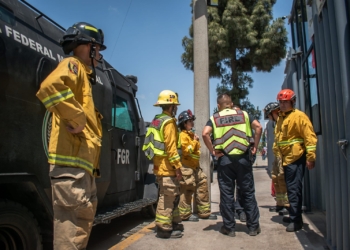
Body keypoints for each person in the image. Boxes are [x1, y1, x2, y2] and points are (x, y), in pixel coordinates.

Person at [36, 22, 106, 249]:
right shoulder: (72, 65)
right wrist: (78, 118)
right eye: (98, 49)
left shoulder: (83, 76)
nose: (99, 55)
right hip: (71, 170)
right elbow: (50, 86)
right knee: (71, 232)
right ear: (88, 46)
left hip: (81, 170)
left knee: (79, 229)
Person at [202, 94, 262, 237]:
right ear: (231, 103)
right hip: (243, 159)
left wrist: (212, 151)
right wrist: (255, 147)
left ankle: (229, 228)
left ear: (219, 106)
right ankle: (253, 227)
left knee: (227, 194)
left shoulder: (215, 118)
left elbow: (205, 134)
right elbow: (258, 127)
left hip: (225, 159)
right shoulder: (244, 114)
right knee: (247, 192)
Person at [274, 89, 317, 232]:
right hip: (286, 159)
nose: (282, 105)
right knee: (290, 189)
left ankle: (296, 220)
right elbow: (278, 138)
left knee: (294, 190)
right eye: (280, 102)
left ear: (293, 102)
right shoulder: (281, 117)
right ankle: (294, 215)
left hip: (296, 157)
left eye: (285, 102)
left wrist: (310, 157)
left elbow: (309, 137)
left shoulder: (299, 116)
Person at [142, 90, 184, 239]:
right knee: (167, 198)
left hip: (159, 165)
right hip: (168, 166)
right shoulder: (169, 122)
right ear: (172, 106)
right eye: (175, 106)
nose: (176, 108)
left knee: (169, 196)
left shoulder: (156, 120)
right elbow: (171, 148)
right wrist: (178, 168)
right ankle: (164, 229)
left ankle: (174, 222)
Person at [177, 109, 217, 221]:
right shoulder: (183, 136)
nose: (192, 123)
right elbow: (186, 151)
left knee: (203, 186)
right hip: (186, 167)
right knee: (187, 191)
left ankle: (204, 213)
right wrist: (195, 142)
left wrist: (195, 140)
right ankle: (185, 215)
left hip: (195, 167)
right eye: (190, 121)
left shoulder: (191, 135)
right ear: (184, 123)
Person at [263, 102, 289, 216]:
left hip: (285, 155)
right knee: (276, 178)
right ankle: (280, 203)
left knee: (283, 180)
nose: (269, 118)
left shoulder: (284, 121)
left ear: (275, 112)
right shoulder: (277, 123)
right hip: (278, 155)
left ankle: (287, 205)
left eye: (269, 115)